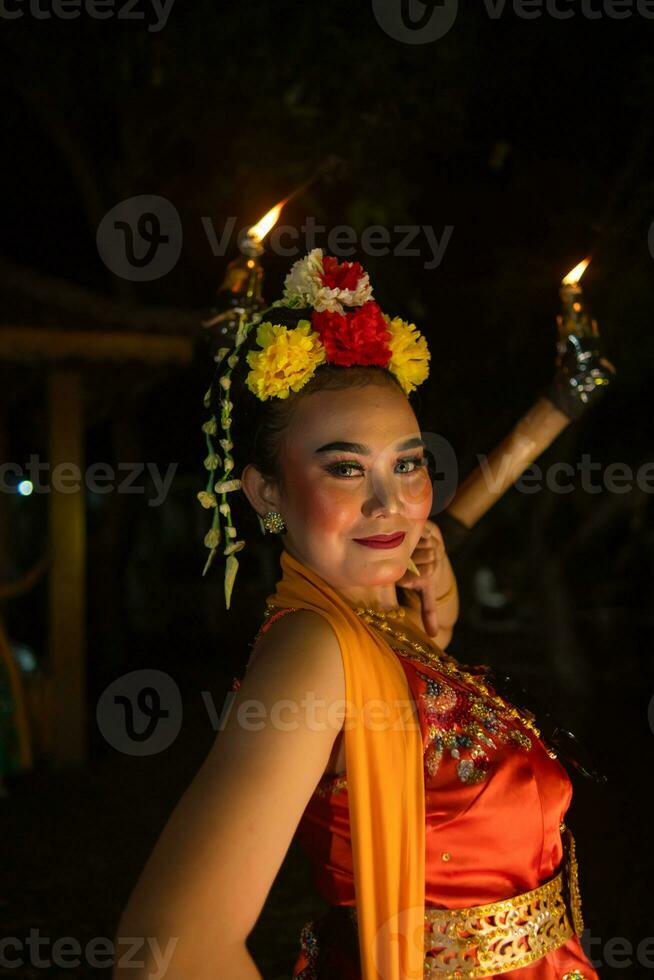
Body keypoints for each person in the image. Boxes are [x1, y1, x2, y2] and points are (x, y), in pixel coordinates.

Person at [114, 250, 597, 980]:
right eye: (345, 468)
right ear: (266, 493)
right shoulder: (314, 651)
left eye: (408, 465)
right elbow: (165, 950)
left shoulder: (389, 625)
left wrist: (433, 628)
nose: (390, 504)